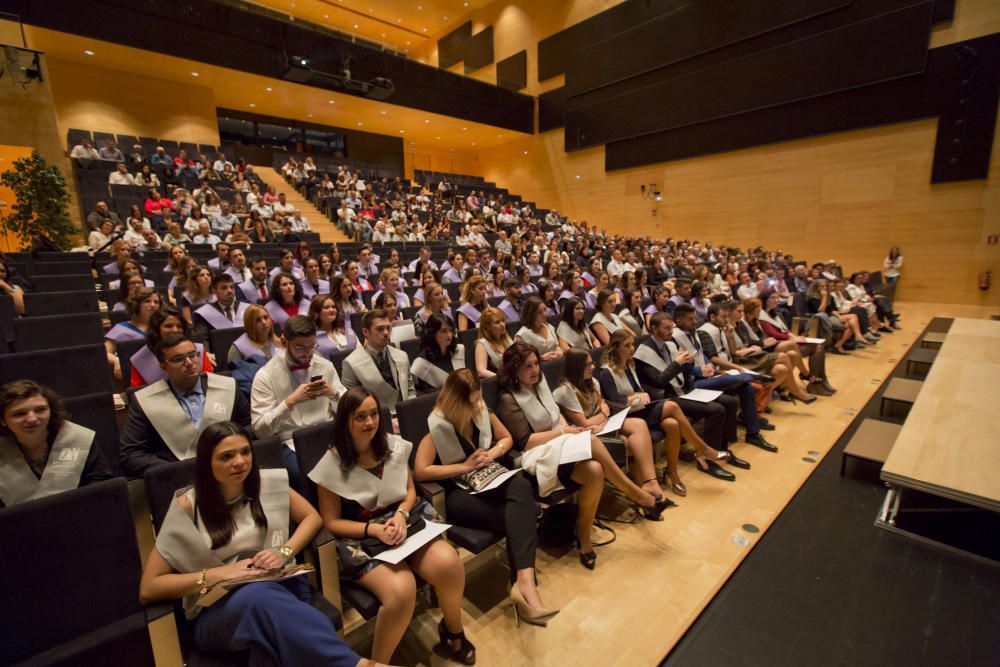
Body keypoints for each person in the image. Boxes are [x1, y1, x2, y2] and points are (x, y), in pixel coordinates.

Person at [138, 422, 370, 667]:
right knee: (274, 607)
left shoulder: (266, 483)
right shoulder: (188, 506)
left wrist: (284, 551)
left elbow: (312, 518)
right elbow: (150, 587)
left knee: (274, 635)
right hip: (218, 611)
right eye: (227, 456)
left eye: (245, 452)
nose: (240, 462)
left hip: (279, 584)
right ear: (207, 463)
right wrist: (221, 573)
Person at [314, 388, 473, 665]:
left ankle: (452, 630)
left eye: (374, 414)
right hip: (362, 537)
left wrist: (400, 514)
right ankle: (379, 663)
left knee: (449, 563)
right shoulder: (332, 463)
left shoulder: (392, 446)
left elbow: (410, 492)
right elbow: (331, 522)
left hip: (402, 523)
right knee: (402, 590)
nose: (369, 423)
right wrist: (372, 530)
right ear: (346, 422)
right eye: (360, 417)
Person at [496, 343, 670, 569]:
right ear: (514, 368)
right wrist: (565, 431)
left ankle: (584, 536)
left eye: (537, 364)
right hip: (535, 455)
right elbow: (525, 442)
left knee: (595, 470)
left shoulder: (540, 386)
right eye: (528, 366)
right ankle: (637, 494)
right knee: (590, 440)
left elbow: (556, 416)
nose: (535, 370)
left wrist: (568, 429)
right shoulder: (508, 399)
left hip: (560, 445)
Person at [413, 368, 559, 627]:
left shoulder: (480, 409)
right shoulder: (438, 423)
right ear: (454, 402)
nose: (476, 407)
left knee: (521, 487)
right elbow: (421, 471)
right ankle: (527, 588)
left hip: (488, 479)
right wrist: (465, 466)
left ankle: (523, 582)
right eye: (470, 403)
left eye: (477, 399)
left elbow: (506, 438)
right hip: (457, 493)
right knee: (520, 515)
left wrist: (493, 453)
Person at [633, 312, 743, 485]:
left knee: (730, 402)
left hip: (683, 390)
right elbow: (659, 382)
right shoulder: (643, 352)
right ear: (654, 329)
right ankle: (707, 460)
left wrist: (689, 363)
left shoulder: (669, 343)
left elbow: (685, 373)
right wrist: (677, 363)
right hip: (665, 399)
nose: (671, 331)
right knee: (717, 410)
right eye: (666, 328)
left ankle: (722, 450)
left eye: (672, 327)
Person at [120, 334, 251, 478]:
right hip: (177, 480)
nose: (189, 362)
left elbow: (249, 429)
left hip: (232, 471)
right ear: (163, 366)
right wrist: (174, 470)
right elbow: (131, 454)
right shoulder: (144, 401)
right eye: (178, 359)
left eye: (192, 355)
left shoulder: (228, 387)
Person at [672, 304, 777, 455]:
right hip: (692, 384)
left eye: (695, 317)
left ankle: (752, 434)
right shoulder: (674, 338)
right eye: (690, 319)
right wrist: (699, 370)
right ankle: (754, 376)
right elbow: (680, 368)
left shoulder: (692, 331)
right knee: (731, 379)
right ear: (679, 320)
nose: (695, 321)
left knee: (745, 387)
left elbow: (702, 354)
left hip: (707, 376)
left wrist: (708, 365)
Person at [250, 316, 346, 471]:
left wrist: (333, 394)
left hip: (329, 433)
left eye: (312, 346)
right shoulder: (265, 376)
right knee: (311, 471)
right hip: (292, 441)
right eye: (300, 348)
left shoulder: (325, 366)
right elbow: (261, 431)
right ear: (283, 342)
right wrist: (289, 403)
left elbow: (349, 407)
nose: (308, 353)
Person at [0, 381, 113, 508]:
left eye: (40, 410)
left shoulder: (77, 438)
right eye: (19, 414)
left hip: (81, 515)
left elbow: (102, 484)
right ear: (3, 420)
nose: (32, 419)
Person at [752, 293, 835, 396]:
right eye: (773, 298)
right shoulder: (762, 316)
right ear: (765, 300)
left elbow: (785, 330)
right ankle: (809, 377)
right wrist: (793, 338)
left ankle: (821, 381)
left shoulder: (774, 314)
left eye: (777, 298)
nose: (776, 300)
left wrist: (794, 336)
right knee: (808, 347)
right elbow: (773, 334)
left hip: (785, 343)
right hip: (776, 346)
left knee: (819, 346)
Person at [341, 309, 413, 416]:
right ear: (365, 332)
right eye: (380, 329)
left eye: (388, 328)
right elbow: (353, 404)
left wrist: (412, 410)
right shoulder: (350, 363)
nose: (386, 333)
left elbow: (410, 390)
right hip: (376, 419)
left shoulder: (402, 356)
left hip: (406, 413)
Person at [130, 306, 213, 387]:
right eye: (168, 326)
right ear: (156, 329)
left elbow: (211, 383)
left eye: (179, 326)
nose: (175, 330)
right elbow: (138, 394)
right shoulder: (140, 360)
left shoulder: (197, 350)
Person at [105, 287, 162, 380]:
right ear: (136, 304)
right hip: (135, 378)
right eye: (147, 301)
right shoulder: (121, 328)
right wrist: (116, 360)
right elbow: (105, 353)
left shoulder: (163, 326)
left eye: (156, 302)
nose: (153, 305)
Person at [412, 314, 465, 393]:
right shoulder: (421, 364)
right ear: (432, 334)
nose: (449, 335)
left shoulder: (458, 351)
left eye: (451, 330)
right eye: (444, 331)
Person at [192, 273, 250, 339]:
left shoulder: (247, 308)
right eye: (224, 288)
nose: (229, 291)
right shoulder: (205, 314)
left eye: (232, 287)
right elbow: (203, 339)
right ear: (214, 291)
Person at [475, 307, 511, 379]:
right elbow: (481, 371)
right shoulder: (482, 344)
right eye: (497, 322)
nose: (502, 324)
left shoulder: (507, 338)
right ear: (487, 327)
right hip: (499, 383)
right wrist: (502, 378)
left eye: (503, 321)